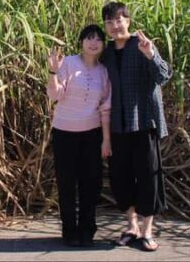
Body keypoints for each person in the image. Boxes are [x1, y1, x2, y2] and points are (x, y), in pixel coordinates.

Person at [100, 1, 172, 252]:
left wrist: (151, 55)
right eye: (109, 22)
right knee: (120, 178)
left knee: (148, 178)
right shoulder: (107, 52)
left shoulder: (141, 45)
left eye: (119, 20)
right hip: (117, 125)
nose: (114, 25)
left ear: (128, 21)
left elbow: (164, 75)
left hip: (144, 121)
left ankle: (147, 230)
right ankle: (131, 226)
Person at [46, 24, 112, 247]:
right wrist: (53, 71)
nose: (93, 43)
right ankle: (69, 230)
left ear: (103, 45)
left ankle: (87, 229)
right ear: (81, 42)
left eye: (98, 39)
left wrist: (106, 139)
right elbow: (55, 95)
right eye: (89, 38)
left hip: (91, 135)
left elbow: (105, 107)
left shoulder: (104, 71)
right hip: (64, 133)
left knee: (90, 184)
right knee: (66, 184)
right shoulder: (68, 63)